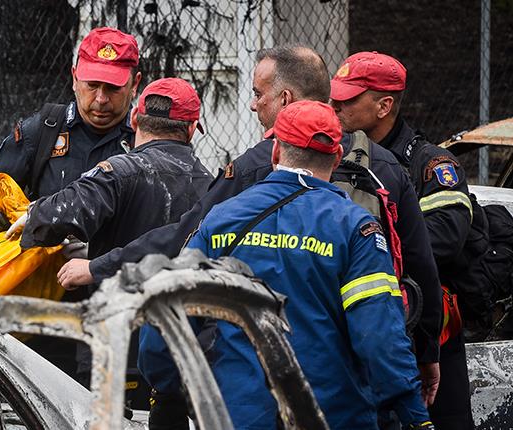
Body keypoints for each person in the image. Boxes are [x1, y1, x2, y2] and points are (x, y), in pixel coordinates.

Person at [70, 46, 443, 405]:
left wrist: (98, 267)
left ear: (284, 99)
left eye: (257, 93)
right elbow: (418, 261)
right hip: (361, 368)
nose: (252, 103)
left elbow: (186, 238)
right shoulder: (383, 165)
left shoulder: (255, 165)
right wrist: (427, 352)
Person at [178, 100, 431, 429]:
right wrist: (415, 415)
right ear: (338, 157)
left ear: (276, 151)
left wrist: (165, 388)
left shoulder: (222, 219)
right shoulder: (357, 227)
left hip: (240, 414)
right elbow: (378, 336)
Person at [6, 77, 211, 425]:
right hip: (180, 350)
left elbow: (65, 211)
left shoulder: (120, 171)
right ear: (192, 129)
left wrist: (32, 216)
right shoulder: (213, 187)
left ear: (134, 122)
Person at [330, 51, 478, 429]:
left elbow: (446, 236)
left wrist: (368, 245)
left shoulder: (431, 165)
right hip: (362, 331)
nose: (335, 104)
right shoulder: (336, 159)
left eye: (347, 98)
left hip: (426, 331)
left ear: (384, 105)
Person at [0, 27, 141, 239]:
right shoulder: (44, 130)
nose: (101, 99)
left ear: (135, 85)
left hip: (118, 267)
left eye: (113, 88)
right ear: (74, 78)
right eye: (92, 85)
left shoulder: (145, 139)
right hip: (45, 268)